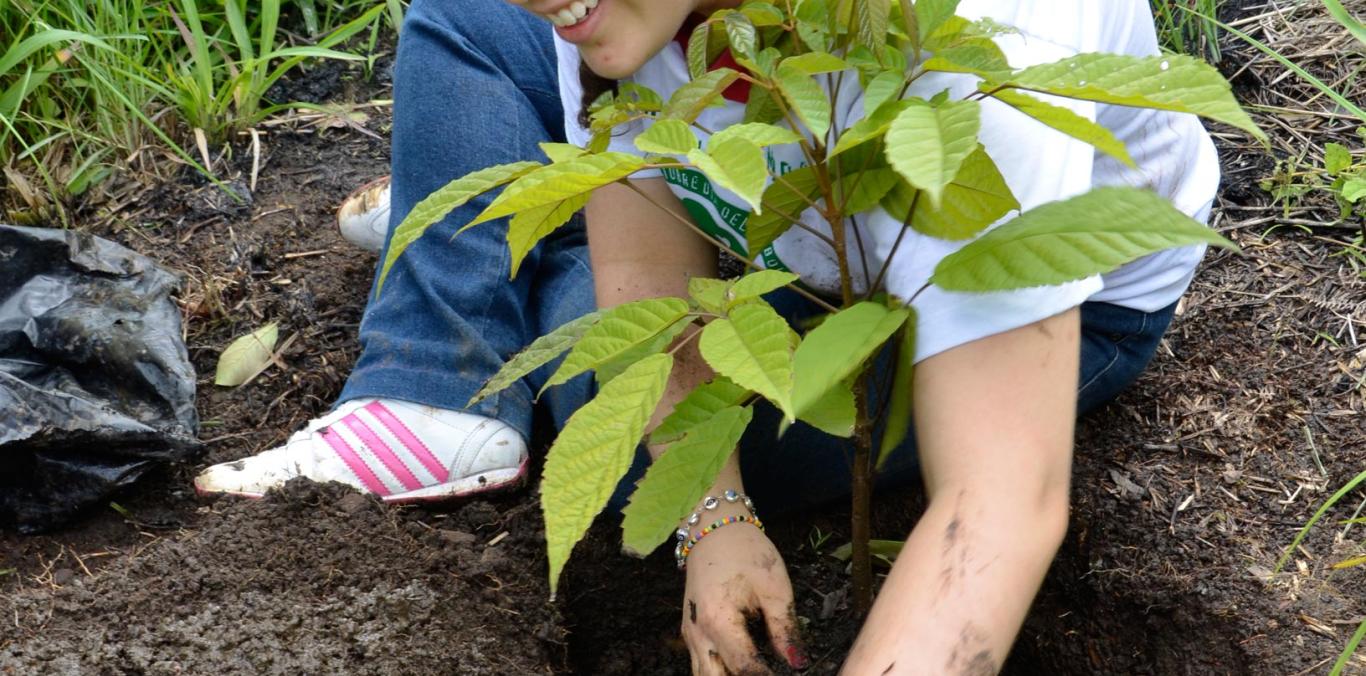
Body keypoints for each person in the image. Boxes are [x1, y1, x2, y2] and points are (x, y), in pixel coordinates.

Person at [197, 0, 1220, 673]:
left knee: (584, 371)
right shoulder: (612, 18)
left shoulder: (978, 59)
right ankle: (509, 232)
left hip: (1038, 307)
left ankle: (511, 213)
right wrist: (713, 519)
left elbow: (1000, 499)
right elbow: (646, 254)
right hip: (794, 230)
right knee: (470, 20)